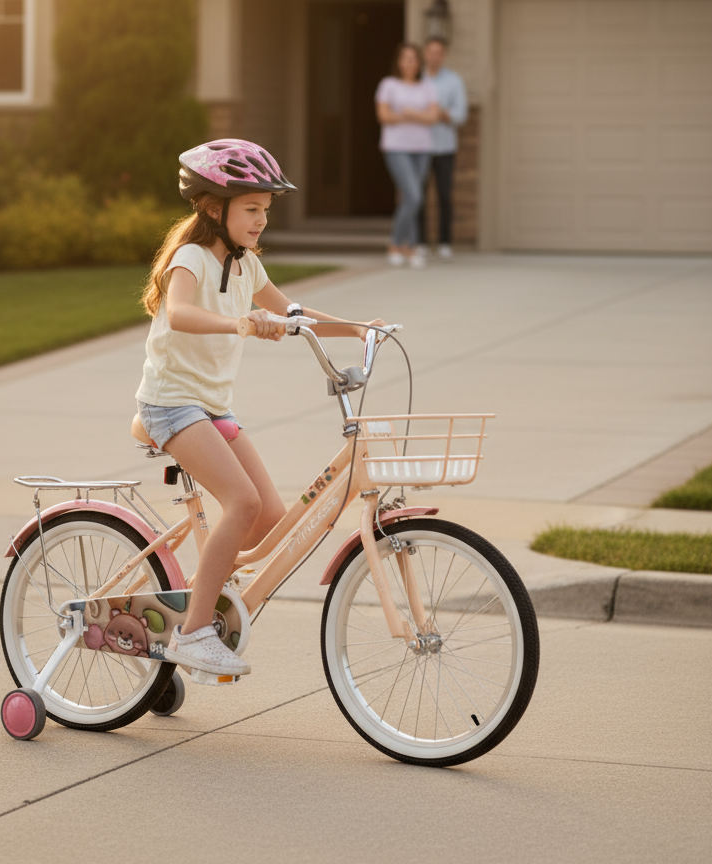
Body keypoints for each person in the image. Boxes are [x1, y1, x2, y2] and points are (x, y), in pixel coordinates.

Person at [136, 139, 383, 682]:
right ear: (212, 207)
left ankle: (210, 588)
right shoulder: (190, 259)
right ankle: (195, 633)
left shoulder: (247, 267)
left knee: (271, 521)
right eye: (252, 209)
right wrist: (241, 323)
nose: (262, 221)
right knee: (242, 503)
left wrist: (357, 327)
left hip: (212, 408)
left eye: (266, 210)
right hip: (171, 405)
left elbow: (293, 312)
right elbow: (178, 314)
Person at [375, 43, 440, 268]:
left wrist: (408, 113)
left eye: (413, 59)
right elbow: (384, 116)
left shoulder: (427, 86)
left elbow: (433, 117)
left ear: (419, 63)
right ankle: (396, 244)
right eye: (405, 58)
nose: (410, 63)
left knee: (411, 199)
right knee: (414, 197)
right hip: (396, 148)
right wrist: (417, 116)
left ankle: (410, 249)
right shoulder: (388, 85)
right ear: (399, 62)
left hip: (422, 149)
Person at [420, 37, 468, 261]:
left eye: (439, 52)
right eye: (431, 52)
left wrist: (440, 113)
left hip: (445, 146)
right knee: (418, 196)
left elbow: (461, 115)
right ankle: (419, 242)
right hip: (418, 147)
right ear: (425, 53)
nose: (434, 56)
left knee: (444, 195)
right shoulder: (416, 78)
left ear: (444, 55)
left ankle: (445, 243)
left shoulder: (453, 81)